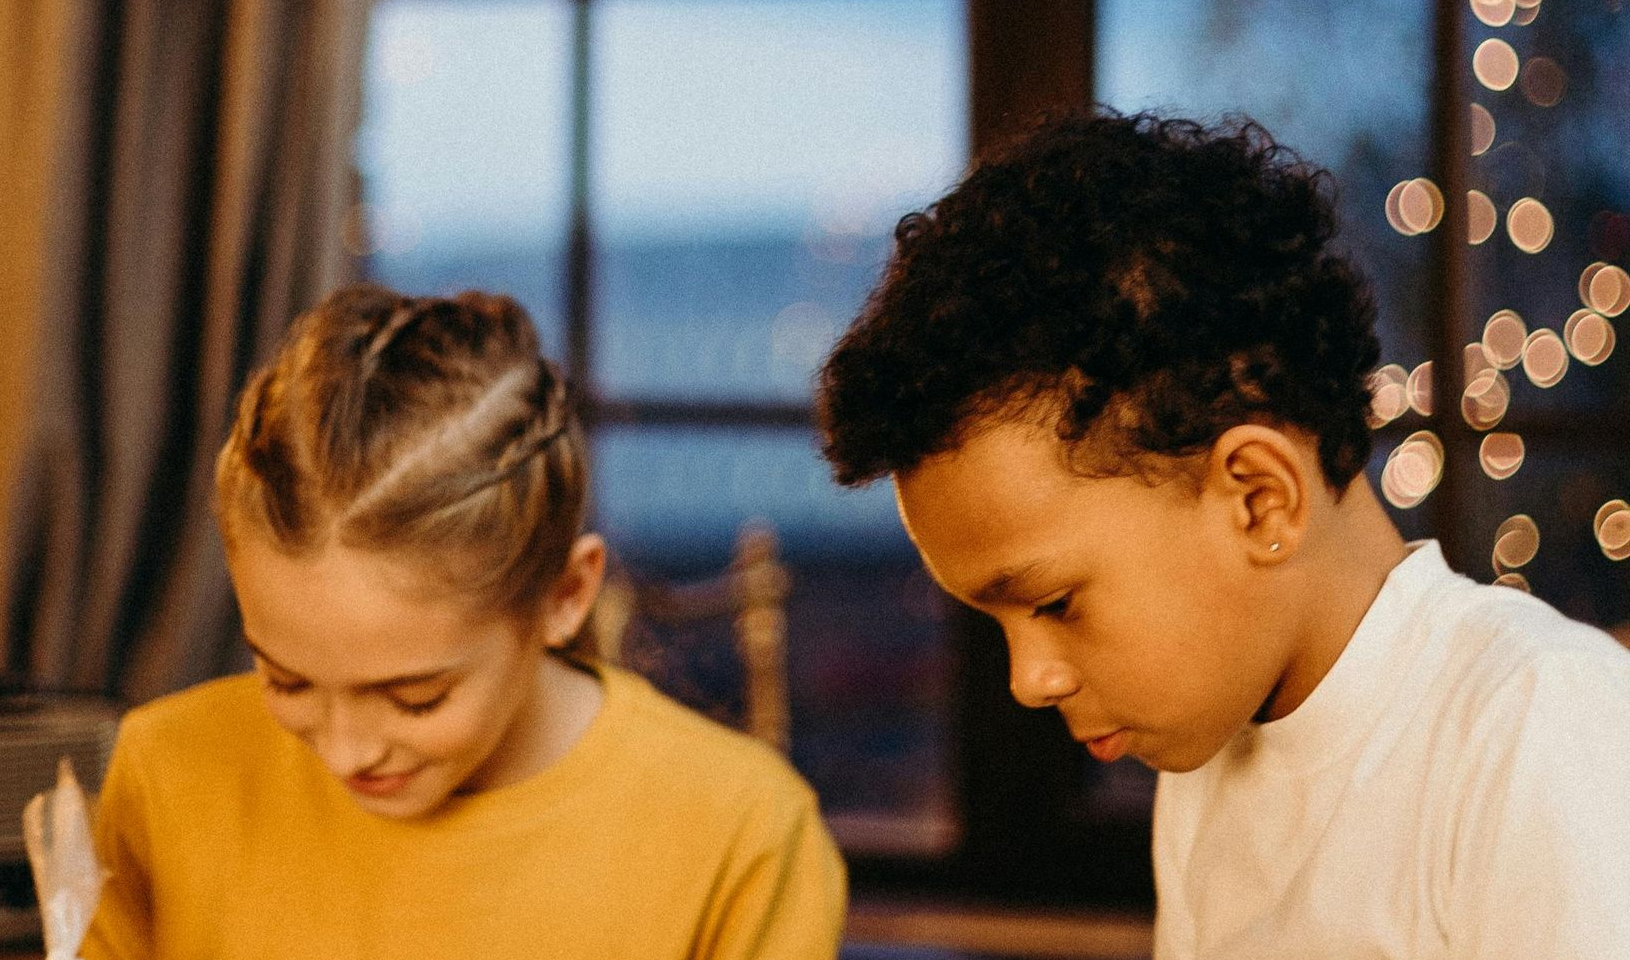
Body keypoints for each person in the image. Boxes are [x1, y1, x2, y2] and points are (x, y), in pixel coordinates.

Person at [815, 111, 1630, 958]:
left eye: (1055, 603)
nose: (1030, 682)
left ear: (1259, 502)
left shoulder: (1539, 730)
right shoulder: (1208, 751)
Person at [84, 284, 845, 960]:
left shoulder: (742, 834)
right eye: (286, 680)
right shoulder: (166, 772)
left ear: (565, 595)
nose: (346, 752)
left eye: (416, 697)